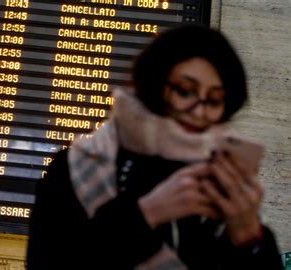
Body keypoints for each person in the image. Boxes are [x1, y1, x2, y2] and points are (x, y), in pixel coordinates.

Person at [26, 25, 283, 270]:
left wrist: (249, 237)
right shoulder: (75, 167)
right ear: (155, 85)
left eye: (214, 100)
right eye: (185, 91)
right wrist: (148, 213)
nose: (199, 111)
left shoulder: (221, 180)